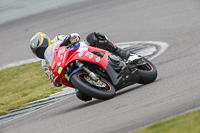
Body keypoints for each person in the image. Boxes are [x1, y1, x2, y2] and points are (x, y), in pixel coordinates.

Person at [30, 32, 131, 101]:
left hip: (81, 52)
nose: (41, 52)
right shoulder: (45, 64)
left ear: (46, 41)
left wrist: (72, 38)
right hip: (70, 69)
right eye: (38, 52)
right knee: (82, 96)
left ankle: (119, 52)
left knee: (94, 37)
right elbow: (54, 80)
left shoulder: (57, 39)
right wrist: (56, 79)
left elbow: (75, 37)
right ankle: (96, 83)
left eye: (41, 48)